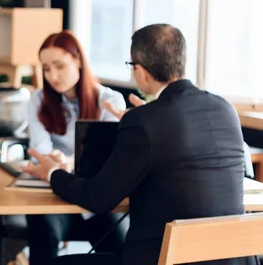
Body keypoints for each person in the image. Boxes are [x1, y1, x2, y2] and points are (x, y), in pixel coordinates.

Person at [24, 24, 258, 265]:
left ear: (140, 70)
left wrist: (52, 173)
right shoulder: (225, 109)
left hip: (162, 259)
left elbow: (98, 199)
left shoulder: (144, 121)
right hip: (230, 258)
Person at [25, 30, 127, 264]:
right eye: (46, 68)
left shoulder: (110, 101)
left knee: (123, 248)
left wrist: (67, 163)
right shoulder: (38, 100)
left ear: (79, 60)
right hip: (53, 193)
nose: (52, 76)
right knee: (43, 233)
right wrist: (60, 164)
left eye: (59, 66)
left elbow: (107, 158)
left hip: (93, 195)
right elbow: (40, 151)